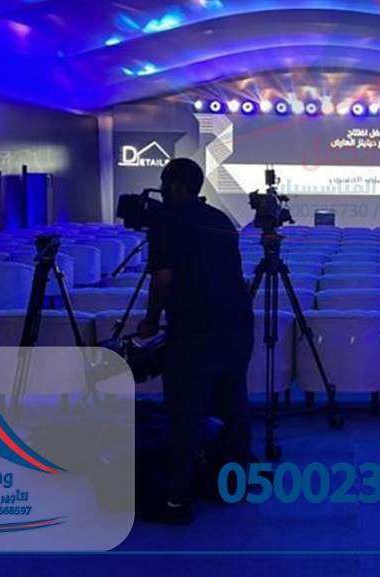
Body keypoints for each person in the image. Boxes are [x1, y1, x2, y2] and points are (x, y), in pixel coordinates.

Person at [136, 157, 253, 524]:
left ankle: (176, 501)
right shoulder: (221, 220)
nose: (160, 188)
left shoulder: (167, 221)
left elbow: (164, 279)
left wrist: (151, 320)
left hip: (195, 331)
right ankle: (234, 484)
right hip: (238, 327)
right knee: (234, 407)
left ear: (175, 185)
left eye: (163, 182)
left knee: (184, 414)